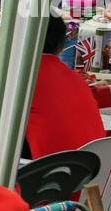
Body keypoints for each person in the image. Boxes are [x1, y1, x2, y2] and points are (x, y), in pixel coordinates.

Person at [25, 16, 106, 159]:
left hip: (46, 173)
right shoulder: (78, 80)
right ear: (61, 45)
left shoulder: (24, 78)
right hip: (94, 171)